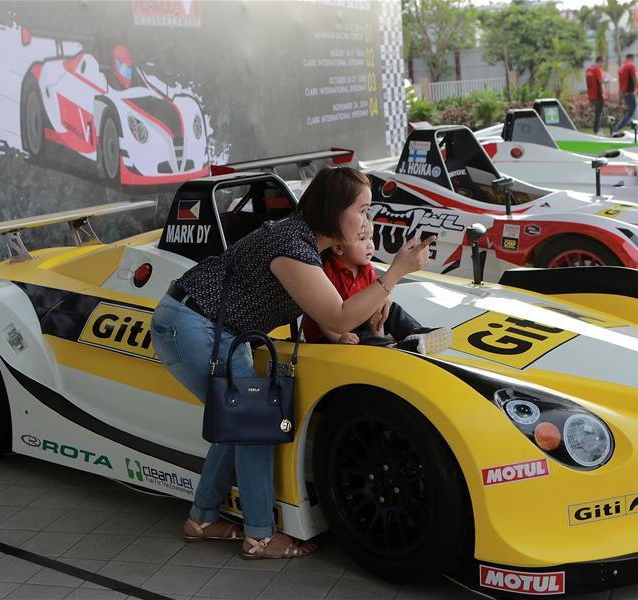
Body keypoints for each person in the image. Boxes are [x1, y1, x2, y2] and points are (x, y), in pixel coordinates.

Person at [150, 167, 435, 559]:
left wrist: (381, 288)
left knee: (238, 427)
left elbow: (341, 304)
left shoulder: (303, 240)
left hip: (219, 329)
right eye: (364, 210)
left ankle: (201, 521)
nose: (368, 222)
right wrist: (397, 273)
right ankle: (260, 537)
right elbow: (338, 316)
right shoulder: (291, 245)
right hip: (194, 324)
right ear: (334, 210)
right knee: (253, 428)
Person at [301, 222, 453, 354]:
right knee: (359, 337)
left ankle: (415, 332)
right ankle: (393, 347)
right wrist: (339, 337)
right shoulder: (327, 272)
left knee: (392, 309)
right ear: (338, 247)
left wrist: (379, 319)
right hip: (330, 333)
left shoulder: (366, 269)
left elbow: (378, 298)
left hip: (359, 320)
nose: (370, 245)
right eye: (362, 239)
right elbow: (324, 317)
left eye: (371, 238)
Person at [615, 53, 638, 132]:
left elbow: (620, 82)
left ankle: (633, 127)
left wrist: (620, 93)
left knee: (631, 110)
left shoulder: (621, 67)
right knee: (631, 111)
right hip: (629, 92)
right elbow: (634, 78)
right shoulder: (631, 65)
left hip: (624, 92)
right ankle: (617, 127)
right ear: (632, 58)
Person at [585, 56, 606, 135]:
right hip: (599, 95)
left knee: (599, 113)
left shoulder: (588, 70)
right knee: (599, 114)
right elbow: (600, 81)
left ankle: (597, 130)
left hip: (591, 95)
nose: (602, 65)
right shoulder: (598, 70)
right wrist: (606, 80)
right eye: (602, 63)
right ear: (600, 62)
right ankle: (597, 131)